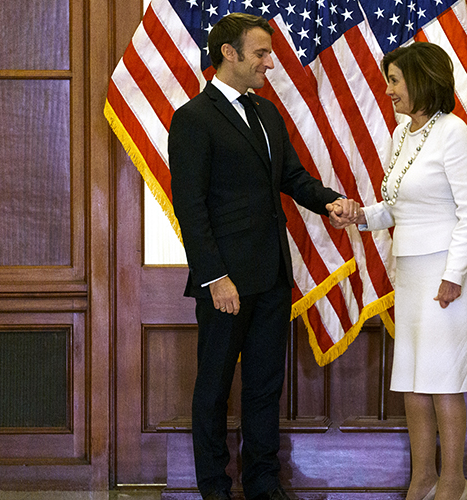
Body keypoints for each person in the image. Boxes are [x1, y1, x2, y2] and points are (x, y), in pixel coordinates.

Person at [168, 13, 359, 500]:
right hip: (226, 282)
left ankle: (262, 484)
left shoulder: (268, 113)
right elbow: (190, 206)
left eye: (270, 54)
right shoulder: (193, 118)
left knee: (263, 387)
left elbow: (292, 178)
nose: (270, 63)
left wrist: (331, 202)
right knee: (213, 389)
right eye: (261, 53)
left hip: (273, 276)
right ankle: (214, 487)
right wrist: (215, 277)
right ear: (228, 53)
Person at [354, 42, 467, 500]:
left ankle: (454, 483)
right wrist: (359, 215)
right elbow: (396, 207)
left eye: (394, 80)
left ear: (422, 79)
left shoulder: (455, 133)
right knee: (413, 378)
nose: (388, 89)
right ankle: (423, 478)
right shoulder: (401, 135)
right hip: (408, 271)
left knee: (444, 379)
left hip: (445, 275)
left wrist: (454, 275)